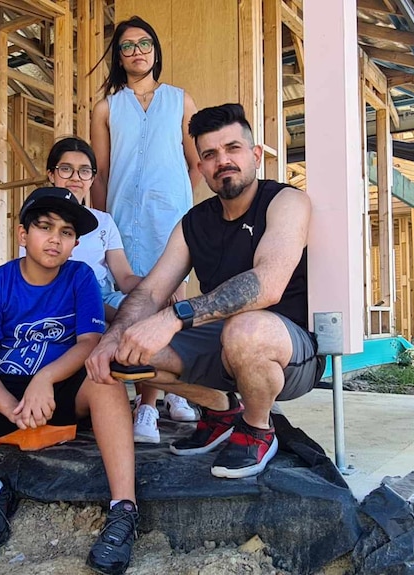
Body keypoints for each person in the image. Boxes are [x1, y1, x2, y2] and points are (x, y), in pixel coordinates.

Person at [86, 103, 326, 479]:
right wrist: (111, 337)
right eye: (210, 155)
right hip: (221, 344)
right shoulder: (194, 222)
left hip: (286, 349)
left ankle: (257, 427)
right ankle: (220, 411)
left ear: (256, 155)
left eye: (233, 149)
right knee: (124, 352)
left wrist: (173, 317)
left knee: (245, 330)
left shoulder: (286, 202)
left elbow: (268, 283)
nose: (223, 161)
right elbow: (149, 292)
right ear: (200, 168)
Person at [0, 187, 137, 575]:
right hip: (5, 386)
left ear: (75, 243)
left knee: (107, 379)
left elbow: (89, 342)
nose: (55, 238)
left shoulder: (80, 277)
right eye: (45, 227)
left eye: (67, 232)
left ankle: (124, 509)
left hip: (64, 384)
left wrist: (45, 380)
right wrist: (10, 408)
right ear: (23, 234)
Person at [90, 15, 201, 440]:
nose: (137, 51)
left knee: (172, 306)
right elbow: (100, 173)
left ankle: (168, 395)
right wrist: (105, 226)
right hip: (123, 222)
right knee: (135, 307)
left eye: (144, 43)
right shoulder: (107, 108)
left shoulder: (180, 100)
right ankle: (148, 404)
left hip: (168, 222)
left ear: (155, 49)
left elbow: (194, 163)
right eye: (127, 46)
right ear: (118, 57)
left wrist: (179, 204)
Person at [21, 137, 140, 322]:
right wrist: (117, 317)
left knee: (145, 312)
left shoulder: (104, 221)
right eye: (66, 169)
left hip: (103, 297)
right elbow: (36, 281)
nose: (75, 177)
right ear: (51, 174)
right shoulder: (37, 218)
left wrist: (157, 289)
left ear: (92, 178)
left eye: (84, 171)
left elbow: (124, 278)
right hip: (55, 298)